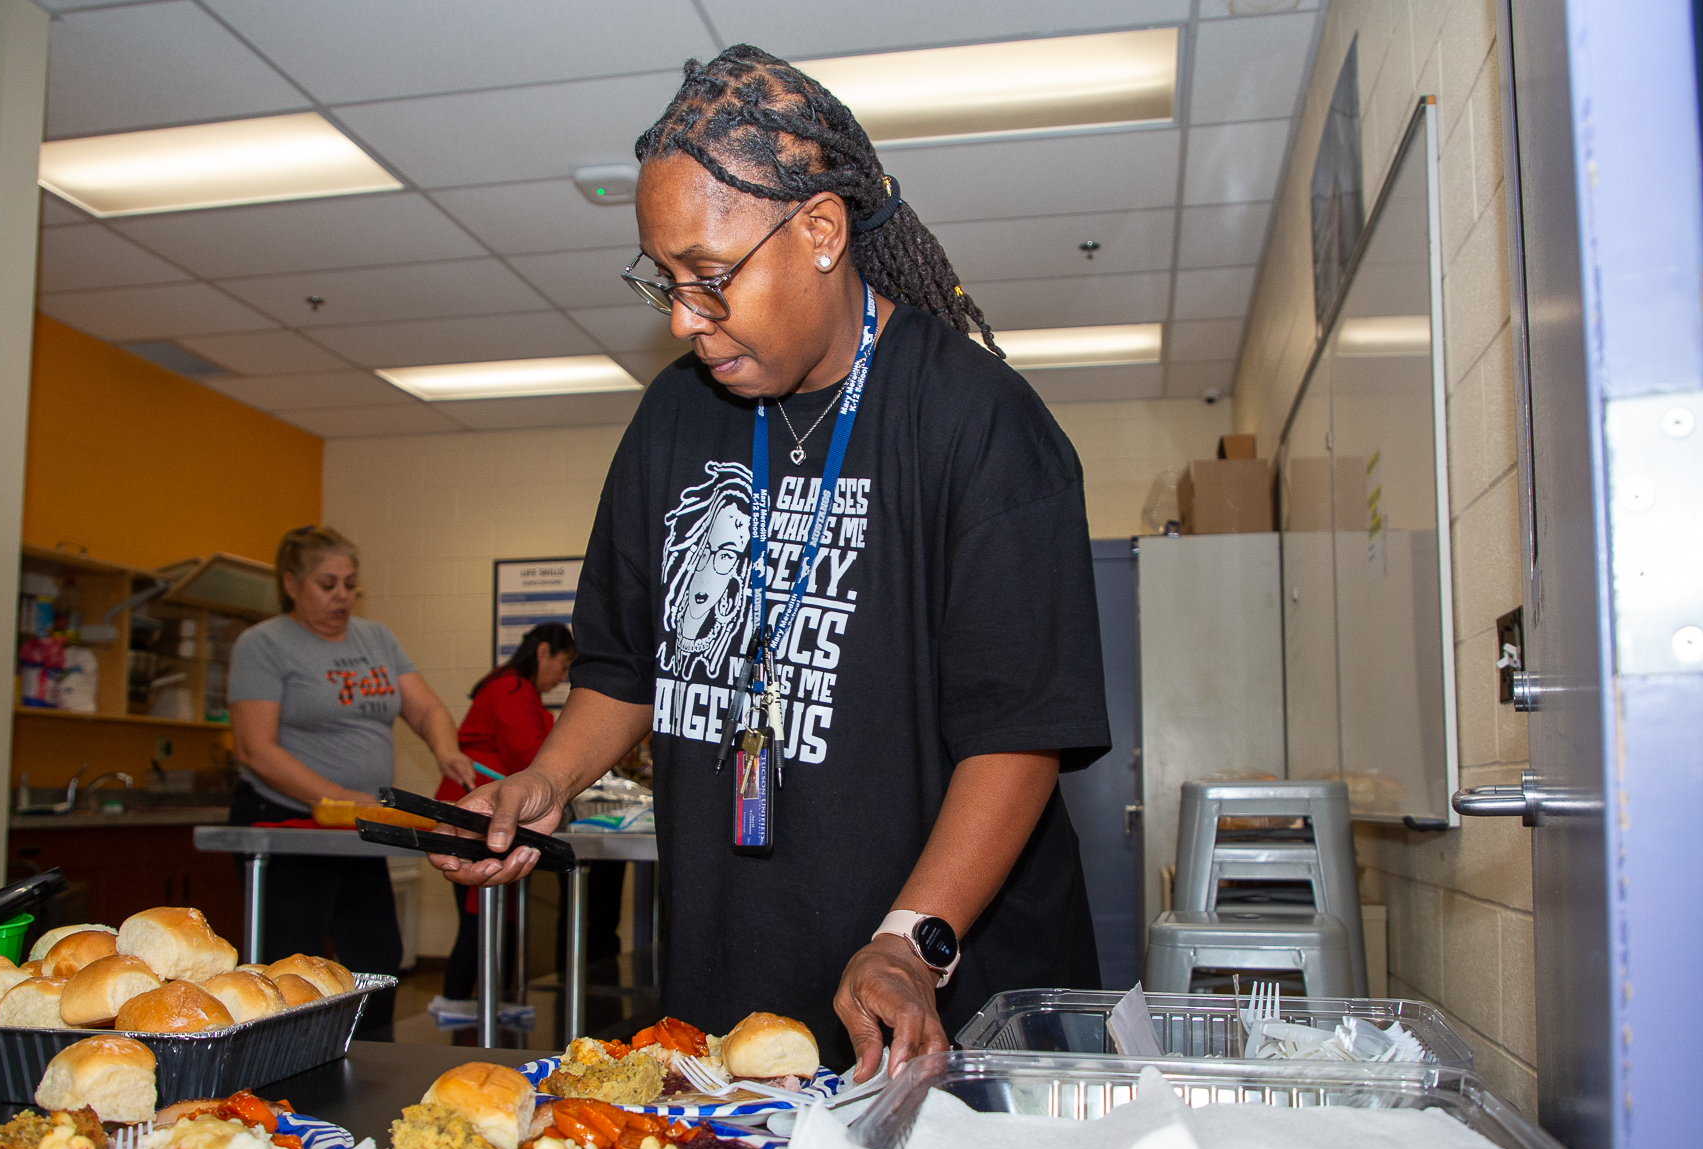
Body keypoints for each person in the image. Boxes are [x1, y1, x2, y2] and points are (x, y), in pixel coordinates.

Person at [429, 46, 1110, 1081]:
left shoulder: (977, 423)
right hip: (731, 993)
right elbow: (623, 668)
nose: (680, 318)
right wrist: (543, 780)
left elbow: (1017, 735)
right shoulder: (674, 414)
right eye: (664, 283)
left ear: (821, 232)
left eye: (709, 279)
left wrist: (909, 940)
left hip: (943, 1006)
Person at [228, 525, 475, 1032]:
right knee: (292, 964)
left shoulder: (375, 637)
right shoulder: (264, 645)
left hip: (354, 826)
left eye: (349, 583)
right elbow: (256, 749)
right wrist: (341, 798)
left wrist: (446, 749)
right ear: (292, 585)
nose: (341, 596)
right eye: (327, 584)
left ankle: (369, 1068)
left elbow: (425, 709)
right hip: (288, 820)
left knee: (376, 954)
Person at [434, 623, 624, 1003]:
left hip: (503, 812)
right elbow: (529, 760)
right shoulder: (510, 689)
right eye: (564, 663)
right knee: (480, 916)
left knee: (500, 917)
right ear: (542, 653)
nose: (564, 675)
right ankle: (455, 1001)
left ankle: (497, 1002)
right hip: (479, 811)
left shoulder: (526, 694)